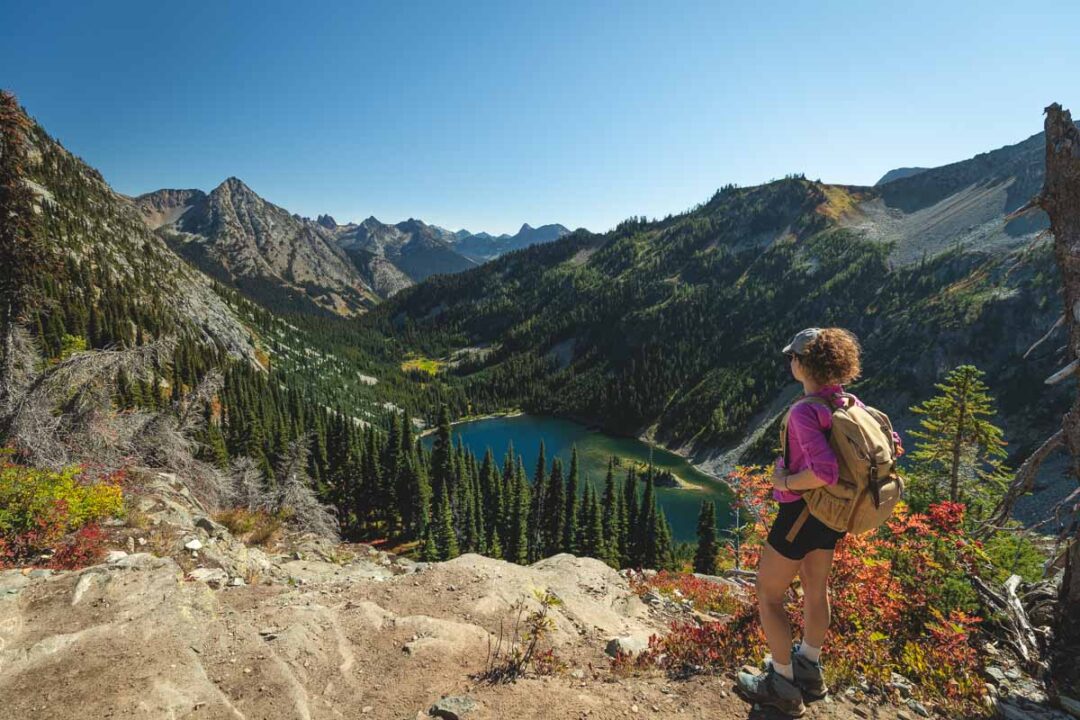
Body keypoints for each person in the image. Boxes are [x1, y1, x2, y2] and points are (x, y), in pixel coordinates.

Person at [735, 327, 903, 717]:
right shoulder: (850, 402)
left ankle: (781, 685)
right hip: (833, 515)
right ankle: (809, 668)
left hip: (802, 513)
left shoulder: (804, 411)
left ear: (803, 363)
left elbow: (824, 472)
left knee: (768, 593)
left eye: (792, 356)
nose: (790, 361)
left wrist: (784, 482)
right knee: (815, 587)